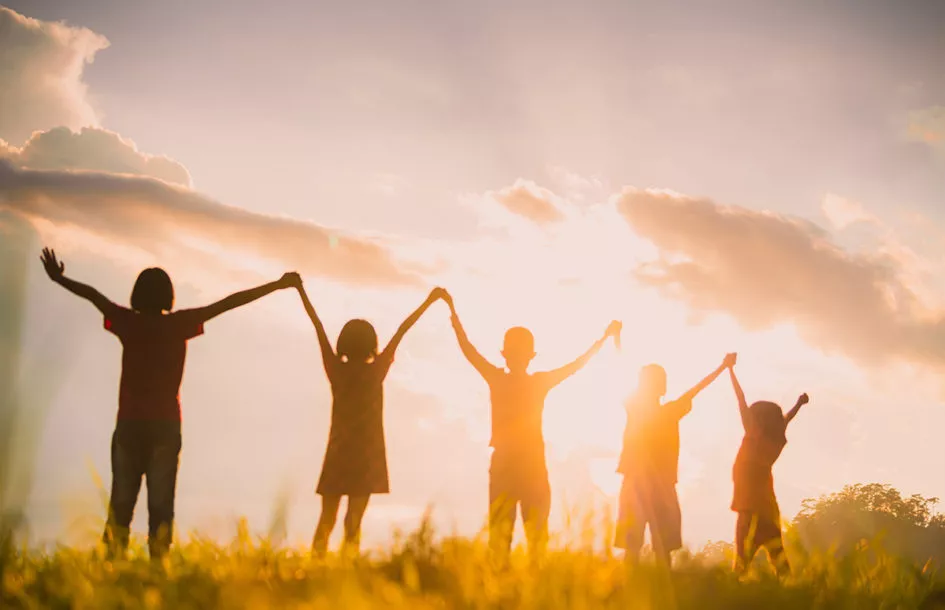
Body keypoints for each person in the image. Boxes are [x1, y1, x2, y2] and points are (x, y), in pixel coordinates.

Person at [39, 248, 299, 560]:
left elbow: (94, 295)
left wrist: (59, 279)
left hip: (130, 424)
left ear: (137, 294)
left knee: (121, 501)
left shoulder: (128, 322)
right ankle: (158, 565)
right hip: (165, 425)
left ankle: (111, 565)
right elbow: (229, 302)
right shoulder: (178, 325)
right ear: (169, 296)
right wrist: (276, 285)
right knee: (161, 504)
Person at [444, 290, 621, 562]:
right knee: (534, 533)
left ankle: (504, 588)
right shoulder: (537, 382)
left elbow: (468, 349)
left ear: (505, 354)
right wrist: (604, 338)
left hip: (510, 462)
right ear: (531, 355)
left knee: (505, 533)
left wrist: (453, 313)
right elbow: (577, 365)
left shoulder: (499, 378)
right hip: (529, 463)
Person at [296, 281, 447, 557]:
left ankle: (314, 569)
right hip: (366, 456)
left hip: (339, 452)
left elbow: (317, 325)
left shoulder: (336, 370)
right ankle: (347, 573)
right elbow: (402, 329)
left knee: (326, 519)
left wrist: (300, 290)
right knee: (354, 522)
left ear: (342, 342)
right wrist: (429, 301)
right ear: (372, 344)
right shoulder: (376, 370)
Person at [615, 353, 736, 566]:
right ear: (663, 388)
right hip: (656, 484)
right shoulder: (665, 411)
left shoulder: (638, 408)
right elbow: (697, 389)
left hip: (642, 483)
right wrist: (722, 367)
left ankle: (635, 585)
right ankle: (654, 586)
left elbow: (696, 389)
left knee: (640, 546)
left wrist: (722, 367)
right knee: (657, 547)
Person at [727, 357, 809, 576]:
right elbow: (786, 419)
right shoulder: (775, 439)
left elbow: (740, 398)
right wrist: (799, 404)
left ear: (758, 420)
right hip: (768, 508)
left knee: (741, 564)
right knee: (780, 562)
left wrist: (729, 370)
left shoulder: (753, 435)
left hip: (749, 509)